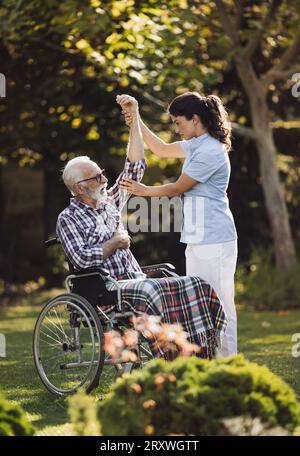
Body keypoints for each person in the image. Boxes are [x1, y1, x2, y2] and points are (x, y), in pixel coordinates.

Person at [56, 98, 227, 360]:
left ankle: (202, 357)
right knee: (154, 290)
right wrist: (114, 242)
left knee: (191, 284)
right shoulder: (68, 218)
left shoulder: (109, 200)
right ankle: (173, 362)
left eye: (102, 174)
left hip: (135, 279)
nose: (104, 180)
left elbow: (134, 165)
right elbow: (80, 258)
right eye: (97, 177)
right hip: (106, 288)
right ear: (79, 187)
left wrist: (134, 117)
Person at [117, 92, 238, 357]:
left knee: (222, 306)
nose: (176, 128)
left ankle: (230, 364)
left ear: (195, 119)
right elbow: (159, 148)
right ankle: (210, 362)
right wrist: (135, 117)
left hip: (215, 238)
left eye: (177, 122)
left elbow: (177, 188)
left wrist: (142, 190)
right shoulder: (196, 143)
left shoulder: (211, 151)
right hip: (196, 237)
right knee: (202, 304)